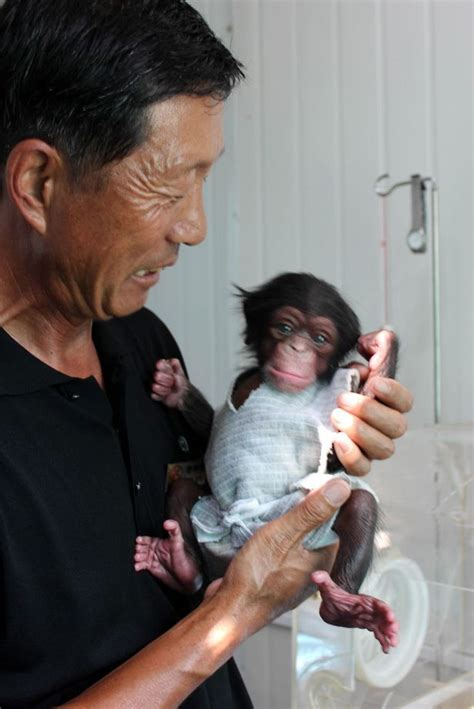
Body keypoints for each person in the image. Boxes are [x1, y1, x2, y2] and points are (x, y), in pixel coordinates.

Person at [0, 1, 413, 706]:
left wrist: (329, 442)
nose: (193, 226)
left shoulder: (139, 342)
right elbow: (231, 601)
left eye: (204, 179)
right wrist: (237, 612)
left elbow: (228, 487)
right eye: (167, 184)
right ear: (40, 183)